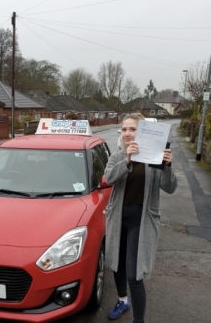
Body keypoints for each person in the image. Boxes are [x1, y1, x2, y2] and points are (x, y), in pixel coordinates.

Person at [104, 113, 178, 323]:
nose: (127, 133)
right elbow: (109, 178)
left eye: (133, 129)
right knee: (116, 264)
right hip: (118, 218)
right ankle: (121, 300)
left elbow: (170, 187)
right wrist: (127, 159)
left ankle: (139, 320)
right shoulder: (118, 156)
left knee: (134, 275)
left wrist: (168, 166)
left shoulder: (155, 157)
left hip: (141, 220)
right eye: (124, 129)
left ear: (142, 131)